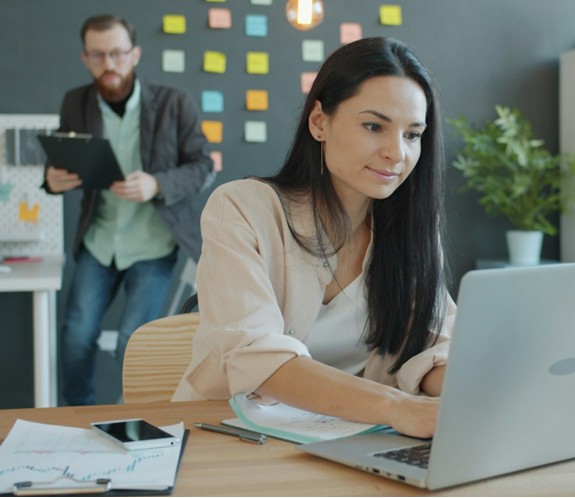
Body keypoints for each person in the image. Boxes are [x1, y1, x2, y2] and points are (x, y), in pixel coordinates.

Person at [173, 37, 455, 438]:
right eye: (374, 126)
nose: (397, 152)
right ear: (319, 122)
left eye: (413, 134)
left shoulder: (412, 234)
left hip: (351, 443)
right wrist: (399, 408)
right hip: (230, 439)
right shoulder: (241, 209)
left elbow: (431, 348)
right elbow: (258, 360)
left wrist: (475, 390)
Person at [43, 14, 215, 406]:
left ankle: (134, 425)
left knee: (133, 345)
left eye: (118, 53)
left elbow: (203, 166)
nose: (110, 64)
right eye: (99, 55)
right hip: (99, 239)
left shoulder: (174, 103)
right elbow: (63, 161)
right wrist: (51, 180)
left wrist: (157, 183)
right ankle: (78, 420)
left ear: (134, 53)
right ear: (86, 58)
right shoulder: (75, 102)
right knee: (75, 337)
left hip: (154, 243)